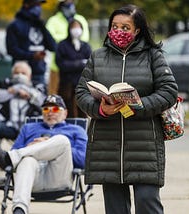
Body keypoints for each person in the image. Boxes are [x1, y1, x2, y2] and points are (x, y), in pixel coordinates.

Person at [75, 4, 178, 214]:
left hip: (144, 145)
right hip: (106, 144)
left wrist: (138, 106)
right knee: (115, 209)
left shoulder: (153, 56)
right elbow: (81, 93)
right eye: (115, 26)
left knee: (147, 202)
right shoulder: (98, 56)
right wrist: (100, 109)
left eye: (125, 27)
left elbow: (169, 91)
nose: (119, 32)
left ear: (137, 30)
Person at [0, 94, 87, 214]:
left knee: (62, 141)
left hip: (59, 178)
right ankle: (19, 210)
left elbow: (84, 160)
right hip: (31, 179)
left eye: (55, 109)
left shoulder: (76, 130)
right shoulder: (28, 128)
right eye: (46, 109)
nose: (50, 112)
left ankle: (8, 158)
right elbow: (16, 150)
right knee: (27, 160)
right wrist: (30, 147)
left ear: (65, 113)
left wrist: (48, 144)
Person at [0, 61, 46, 170]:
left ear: (29, 75)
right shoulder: (4, 84)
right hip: (8, 126)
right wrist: (12, 91)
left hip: (29, 127)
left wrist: (26, 91)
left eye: (23, 73)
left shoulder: (38, 86)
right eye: (17, 72)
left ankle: (31, 161)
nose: (20, 75)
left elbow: (43, 102)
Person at [6, 0, 56, 86]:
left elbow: (53, 47)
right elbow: (11, 50)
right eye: (36, 4)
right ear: (26, 4)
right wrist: (32, 56)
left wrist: (43, 27)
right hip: (21, 73)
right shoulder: (15, 25)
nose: (39, 7)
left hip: (39, 73)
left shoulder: (40, 25)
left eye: (40, 5)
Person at [46, 0, 89, 94]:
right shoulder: (53, 21)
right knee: (55, 94)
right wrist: (68, 40)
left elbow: (85, 39)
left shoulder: (80, 19)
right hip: (58, 68)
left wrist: (64, 41)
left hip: (78, 71)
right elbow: (50, 40)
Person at [56, 19, 91, 118]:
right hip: (66, 83)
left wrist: (73, 65)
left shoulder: (85, 46)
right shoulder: (62, 45)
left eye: (78, 27)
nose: (76, 30)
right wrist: (79, 64)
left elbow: (90, 64)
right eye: (73, 27)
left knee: (82, 109)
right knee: (67, 108)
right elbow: (61, 64)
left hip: (81, 83)